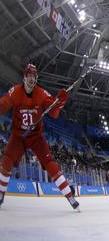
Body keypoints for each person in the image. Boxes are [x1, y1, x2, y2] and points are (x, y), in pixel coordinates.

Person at [0, 64, 79, 210]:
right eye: (29, 75)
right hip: (18, 136)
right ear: (24, 78)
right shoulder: (15, 92)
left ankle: (70, 196)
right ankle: (1, 193)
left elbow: (54, 113)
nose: (32, 78)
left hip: (36, 136)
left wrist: (60, 102)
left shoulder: (42, 93)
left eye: (34, 76)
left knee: (50, 163)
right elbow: (3, 105)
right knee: (6, 161)